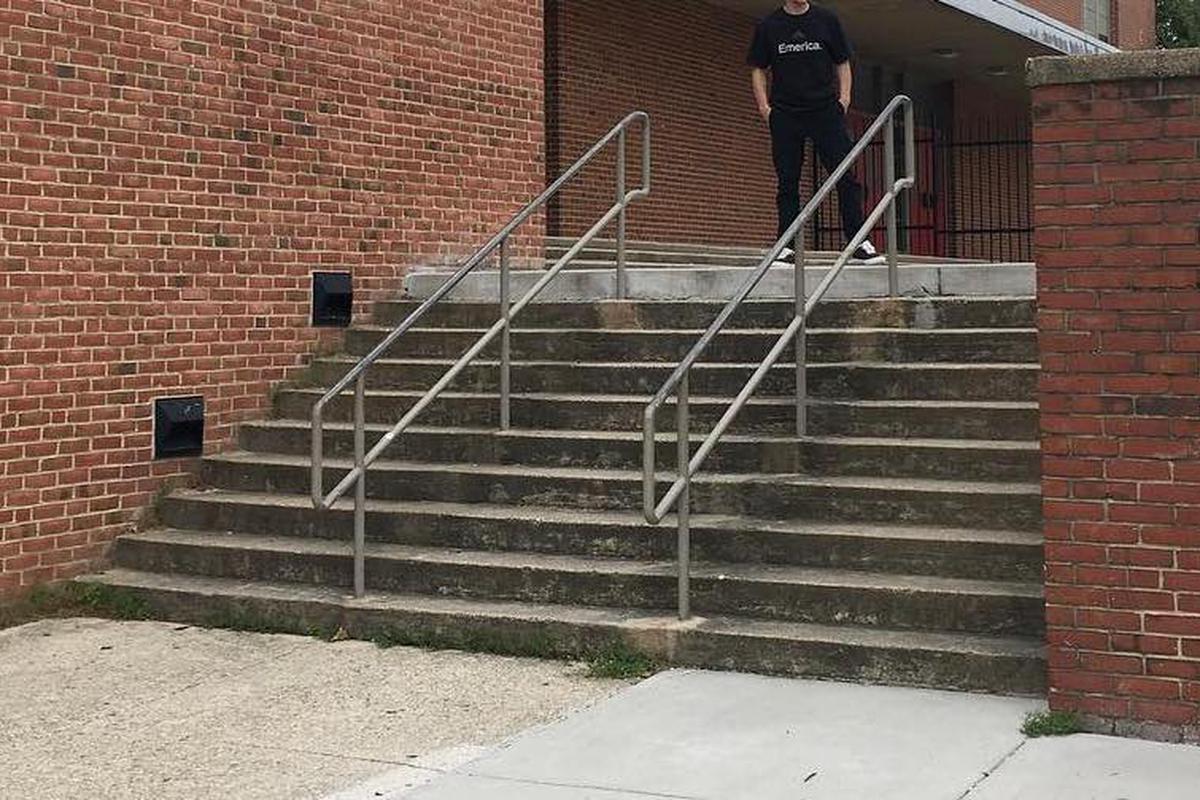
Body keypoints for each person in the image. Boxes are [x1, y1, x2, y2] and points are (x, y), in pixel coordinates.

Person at [748, 0, 885, 265]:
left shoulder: (826, 20)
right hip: (786, 113)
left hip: (824, 110)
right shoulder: (769, 26)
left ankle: (859, 241)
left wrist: (844, 100)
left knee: (844, 175)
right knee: (788, 180)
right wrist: (765, 108)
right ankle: (785, 246)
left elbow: (842, 62)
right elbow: (757, 68)